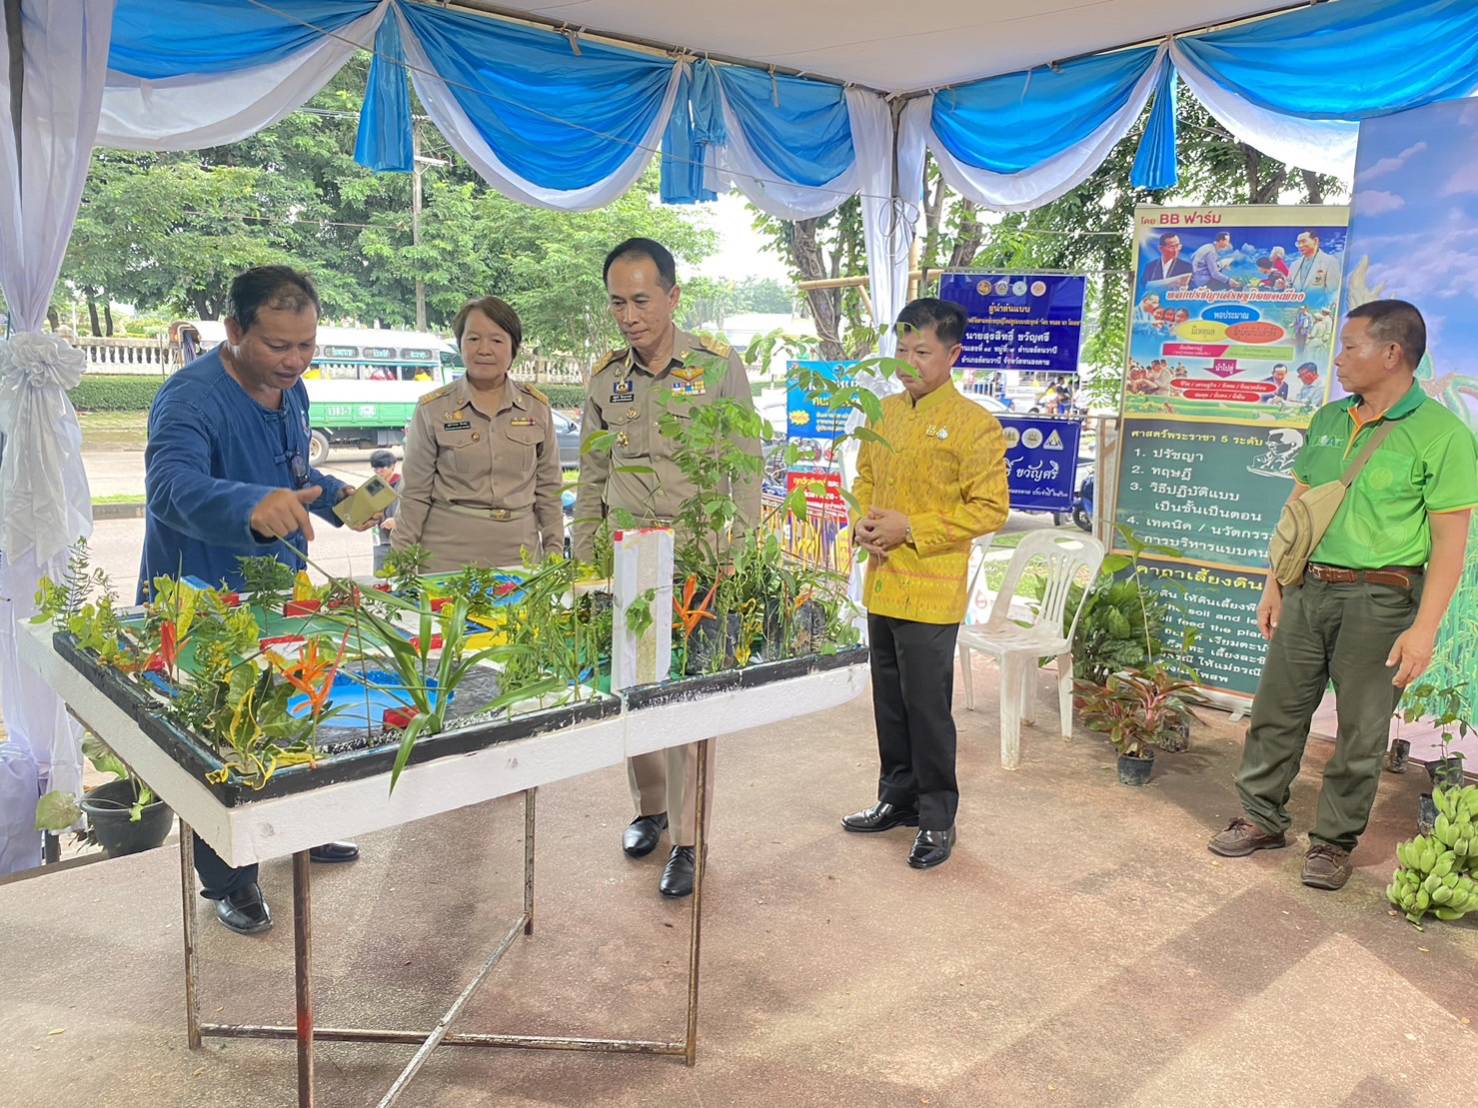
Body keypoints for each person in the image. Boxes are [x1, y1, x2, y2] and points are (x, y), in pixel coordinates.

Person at [1208, 300, 1477, 890]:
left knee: (1360, 731)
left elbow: (1449, 546)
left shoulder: (1444, 436)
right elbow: (1298, 509)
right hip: (1307, 589)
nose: (1338, 359)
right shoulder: (1330, 419)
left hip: (1381, 600)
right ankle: (1260, 818)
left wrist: (1424, 630)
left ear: (1392, 353)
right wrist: (1274, 583)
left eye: (1351, 347)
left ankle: (1332, 843)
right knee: (1276, 711)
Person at [141, 265, 376, 936]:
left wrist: (338, 499)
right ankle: (230, 879)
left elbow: (293, 474)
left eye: (306, 345)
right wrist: (250, 506)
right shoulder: (190, 398)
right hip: (204, 601)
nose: (295, 361)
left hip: (281, 595)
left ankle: (299, 828)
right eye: (278, 346)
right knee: (222, 740)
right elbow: (171, 487)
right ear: (234, 330)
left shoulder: (291, 392)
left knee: (293, 715)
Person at [572, 237, 761, 898]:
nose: (629, 316)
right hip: (626, 560)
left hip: (698, 560)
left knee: (687, 701)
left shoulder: (717, 366)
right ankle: (648, 808)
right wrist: (584, 560)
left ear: (673, 296)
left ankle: (687, 837)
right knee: (632, 689)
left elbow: (745, 464)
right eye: (617, 303)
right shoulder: (605, 377)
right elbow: (591, 476)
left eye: (641, 300)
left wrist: (739, 555)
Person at [841, 298, 1009, 869]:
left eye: (922, 352)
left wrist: (911, 527)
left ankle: (937, 818)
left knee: (927, 709)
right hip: (882, 582)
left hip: (933, 590)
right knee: (889, 701)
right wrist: (862, 521)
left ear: (953, 354)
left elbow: (990, 508)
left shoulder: (976, 424)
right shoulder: (883, 412)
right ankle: (898, 799)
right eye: (901, 351)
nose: (908, 363)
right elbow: (865, 478)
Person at [393, 296, 563, 573]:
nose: (484, 349)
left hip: (520, 555)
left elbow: (549, 490)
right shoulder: (433, 409)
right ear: (460, 345)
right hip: (447, 556)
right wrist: (399, 565)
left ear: (513, 348)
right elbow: (414, 494)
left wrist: (554, 554)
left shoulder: (537, 408)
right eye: (473, 339)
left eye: (496, 340)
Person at [369, 449, 401, 574]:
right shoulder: (374, 485)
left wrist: (397, 521)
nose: (378, 472)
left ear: (393, 466)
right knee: (380, 576)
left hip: (398, 540)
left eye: (382, 468)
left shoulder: (402, 484)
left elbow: (412, 510)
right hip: (380, 539)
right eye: (375, 468)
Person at [1288, 230, 1342, 294]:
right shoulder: (1294, 265)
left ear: (1315, 241)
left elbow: (1333, 292)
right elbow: (1288, 288)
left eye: (1303, 241)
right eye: (1298, 243)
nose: (1300, 245)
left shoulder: (1330, 261)